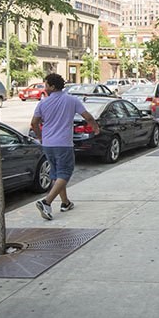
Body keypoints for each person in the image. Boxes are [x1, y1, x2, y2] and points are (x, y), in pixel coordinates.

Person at [31, 73, 99, 220]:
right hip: (63, 143)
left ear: (52, 86)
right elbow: (87, 116)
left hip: (48, 144)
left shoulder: (43, 103)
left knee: (56, 174)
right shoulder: (72, 100)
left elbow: (34, 123)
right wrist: (95, 127)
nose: (45, 87)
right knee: (65, 172)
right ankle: (46, 202)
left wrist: (41, 137)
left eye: (46, 84)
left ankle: (65, 203)